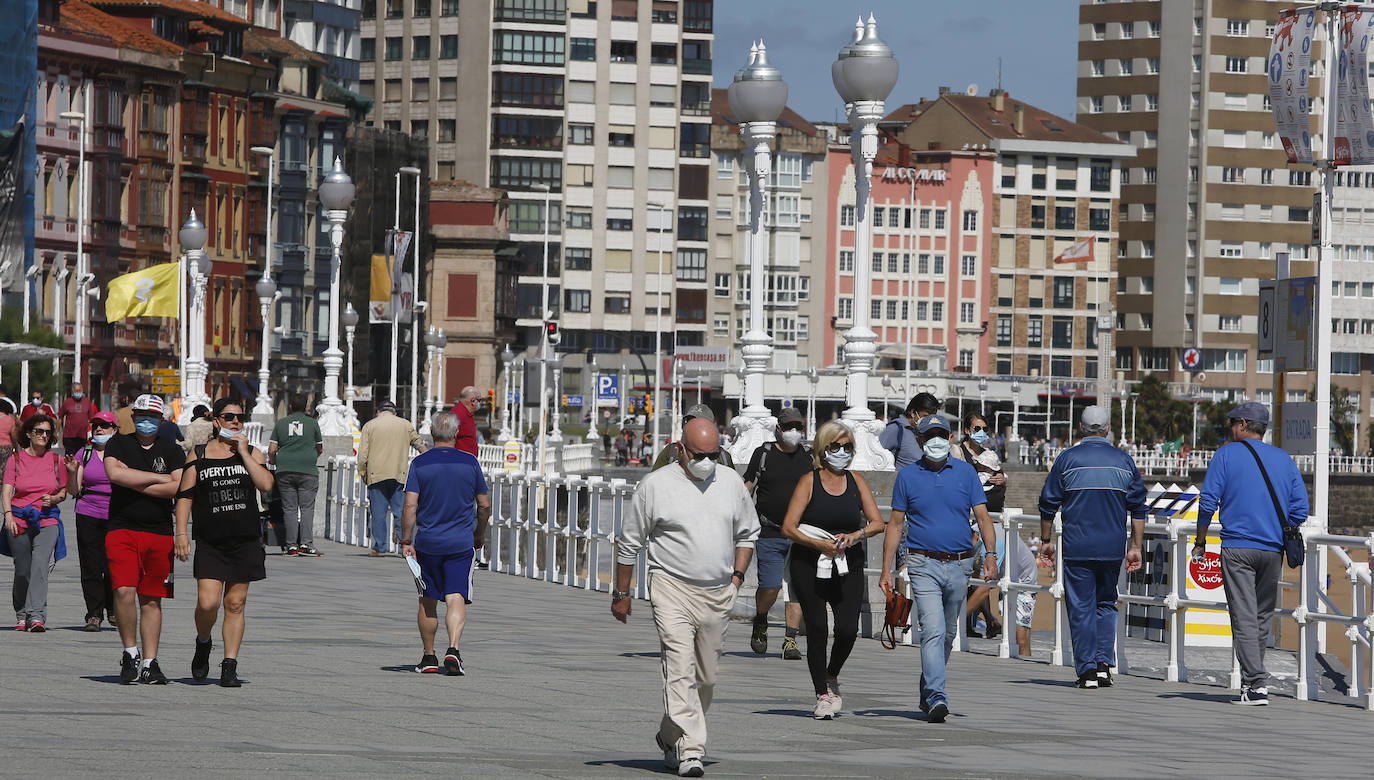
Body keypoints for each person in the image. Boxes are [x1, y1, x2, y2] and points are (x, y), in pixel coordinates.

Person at [613, 417, 759, 778]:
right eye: (699, 454)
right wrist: (621, 593)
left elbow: (747, 534)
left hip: (717, 591)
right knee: (679, 668)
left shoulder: (730, 483)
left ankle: (668, 735)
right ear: (680, 449)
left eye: (714, 454)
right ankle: (691, 749)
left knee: (706, 679)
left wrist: (737, 579)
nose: (707, 461)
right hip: (670, 586)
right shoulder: (655, 485)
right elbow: (629, 542)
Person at [879, 414, 998, 723]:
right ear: (919, 441)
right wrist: (885, 571)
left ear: (949, 439)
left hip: (960, 564)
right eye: (928, 435)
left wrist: (991, 556)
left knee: (948, 633)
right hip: (923, 563)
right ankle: (936, 694)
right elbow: (894, 525)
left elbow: (983, 518)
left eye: (940, 435)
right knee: (932, 629)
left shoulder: (966, 473)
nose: (935, 440)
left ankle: (928, 683)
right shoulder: (907, 477)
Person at [1195, 401, 1308, 706]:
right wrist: (1277, 525)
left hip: (1237, 547)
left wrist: (1200, 540)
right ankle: (1251, 683)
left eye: (1232, 423)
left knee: (1243, 616)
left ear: (1243, 424)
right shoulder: (1284, 459)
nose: (1230, 428)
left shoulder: (1226, 454)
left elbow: (1207, 502)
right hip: (1272, 550)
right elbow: (1300, 509)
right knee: (1261, 617)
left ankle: (1256, 683)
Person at [1037, 405, 1148, 689]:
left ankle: (1086, 670)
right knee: (1106, 604)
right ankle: (1103, 666)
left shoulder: (1067, 460)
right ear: (1107, 429)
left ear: (1080, 428)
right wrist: (1135, 546)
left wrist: (1046, 540)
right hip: (1112, 547)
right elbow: (1138, 507)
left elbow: (1048, 503)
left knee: (1081, 607)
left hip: (1078, 546)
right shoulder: (1124, 461)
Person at [780, 421, 885, 719]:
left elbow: (877, 522)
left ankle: (832, 673)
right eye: (835, 447)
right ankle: (822, 695)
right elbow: (788, 527)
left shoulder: (857, 482)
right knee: (817, 629)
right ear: (822, 451)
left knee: (848, 629)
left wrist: (856, 535)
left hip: (847, 562)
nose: (842, 452)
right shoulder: (808, 482)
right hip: (809, 562)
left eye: (847, 447)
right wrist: (818, 544)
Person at [173, 398, 275, 687]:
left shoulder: (252, 452)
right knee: (208, 603)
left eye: (240, 418)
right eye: (229, 417)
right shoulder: (200, 453)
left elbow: (266, 486)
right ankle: (203, 642)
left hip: (245, 539)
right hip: (211, 540)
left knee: (235, 603)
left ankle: (229, 664)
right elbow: (185, 496)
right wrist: (181, 533)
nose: (235, 422)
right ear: (215, 421)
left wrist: (244, 452)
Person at [103, 394, 186, 684]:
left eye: (152, 416)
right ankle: (130, 652)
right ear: (133, 416)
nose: (146, 421)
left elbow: (176, 488)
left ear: (161, 420)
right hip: (121, 528)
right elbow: (113, 474)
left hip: (159, 531)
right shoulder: (118, 443)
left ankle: (151, 662)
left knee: (152, 598)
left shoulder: (173, 451)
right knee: (123, 592)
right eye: (141, 415)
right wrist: (158, 479)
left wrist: (134, 479)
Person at [401, 412, 490, 676]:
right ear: (456, 432)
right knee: (456, 596)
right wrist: (479, 534)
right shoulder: (469, 462)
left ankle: (429, 657)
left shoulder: (420, 463)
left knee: (428, 599)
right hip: (461, 542)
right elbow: (484, 505)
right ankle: (453, 649)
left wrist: (406, 539)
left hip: (428, 542)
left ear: (431, 431)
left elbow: (410, 505)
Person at [742, 407, 810, 661]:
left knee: (797, 588)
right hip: (769, 531)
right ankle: (761, 619)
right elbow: (748, 485)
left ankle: (790, 639)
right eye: (789, 427)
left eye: (798, 427)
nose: (794, 432)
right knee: (770, 586)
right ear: (778, 429)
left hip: (802, 535)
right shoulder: (764, 454)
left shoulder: (808, 457)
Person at [2, 413, 68, 632]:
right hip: (19, 518)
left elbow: (64, 491)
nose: (44, 435)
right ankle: (21, 613)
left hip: (47, 519)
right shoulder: (16, 459)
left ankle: (37, 615)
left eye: (48, 432)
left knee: (40, 565)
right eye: (39, 431)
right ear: (29, 433)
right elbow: (7, 489)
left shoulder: (56, 460)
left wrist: (55, 498)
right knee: (23, 569)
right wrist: (8, 515)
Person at [954, 411, 1009, 638]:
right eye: (976, 429)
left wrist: (1003, 478)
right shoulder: (958, 452)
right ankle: (965, 622)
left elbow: (998, 476)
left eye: (984, 429)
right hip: (968, 519)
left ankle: (976, 622)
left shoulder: (990, 455)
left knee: (978, 572)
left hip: (990, 518)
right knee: (973, 573)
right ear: (967, 430)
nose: (981, 433)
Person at [358, 399, 425, 556]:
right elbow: (418, 444)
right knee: (401, 512)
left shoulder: (370, 425)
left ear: (378, 412)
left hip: (376, 474)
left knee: (378, 513)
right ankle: (405, 546)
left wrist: (363, 472)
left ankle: (379, 547)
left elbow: (362, 455)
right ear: (395, 412)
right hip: (399, 474)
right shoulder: (405, 425)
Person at [72, 411, 118, 631]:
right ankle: (94, 614)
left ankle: (113, 608)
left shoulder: (122, 453)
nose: (99, 429)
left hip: (117, 513)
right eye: (96, 425)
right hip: (88, 511)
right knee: (91, 566)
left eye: (105, 425)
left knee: (114, 565)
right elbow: (74, 489)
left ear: (114, 430)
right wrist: (72, 473)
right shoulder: (85, 453)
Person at [270, 394, 324, 557]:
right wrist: (309, 457)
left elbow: (272, 449)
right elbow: (320, 448)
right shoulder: (313, 423)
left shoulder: (281, 423)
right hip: (308, 470)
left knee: (289, 508)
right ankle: (306, 544)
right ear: (306, 407)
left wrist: (274, 463)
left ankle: (291, 545)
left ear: (290, 407)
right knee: (307, 508)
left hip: (285, 470)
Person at [650, 404, 734, 471]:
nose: (691, 426)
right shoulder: (672, 452)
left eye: (712, 456)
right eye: (689, 421)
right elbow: (655, 482)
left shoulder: (723, 457)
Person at [880, 392, 938, 469]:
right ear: (913, 413)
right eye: (926, 416)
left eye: (932, 417)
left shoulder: (923, 432)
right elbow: (876, 458)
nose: (929, 421)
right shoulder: (895, 429)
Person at [60, 381, 98, 455]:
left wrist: (92, 433)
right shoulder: (67, 402)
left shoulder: (87, 402)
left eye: (79, 390)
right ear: (73, 392)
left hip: (82, 436)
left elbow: (91, 419)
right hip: (69, 436)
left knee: (80, 457)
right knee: (70, 457)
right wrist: (59, 431)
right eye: (76, 391)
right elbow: (60, 417)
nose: (78, 392)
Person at [448, 386, 481, 457]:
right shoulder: (458, 414)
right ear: (472, 401)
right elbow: (448, 439)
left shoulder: (468, 414)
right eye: (479, 400)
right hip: (459, 461)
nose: (479, 403)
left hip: (467, 461)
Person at [0, 397, 17, 477]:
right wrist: (15, 448)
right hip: (6, 449)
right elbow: (14, 436)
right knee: (5, 472)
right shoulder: (10, 420)